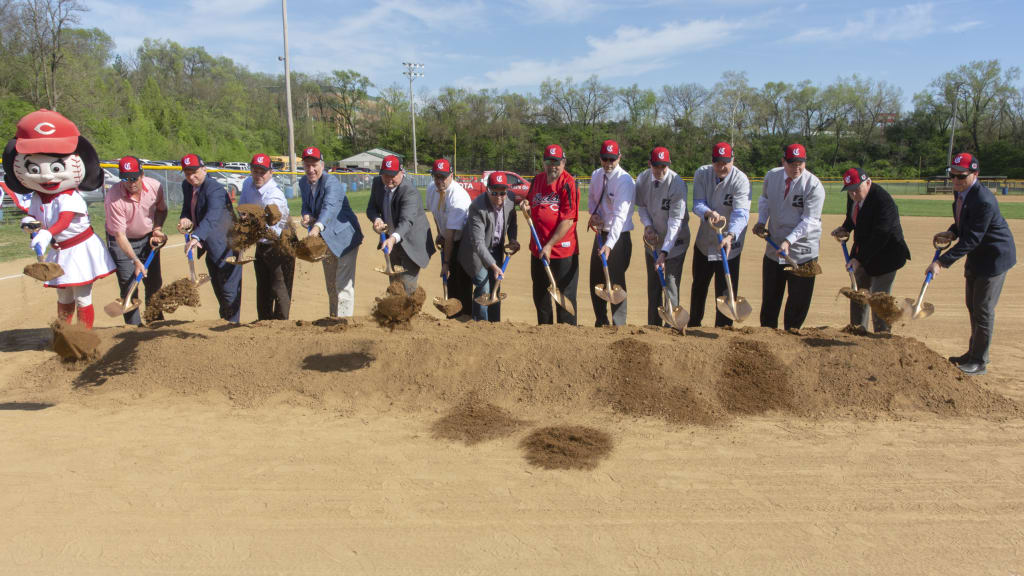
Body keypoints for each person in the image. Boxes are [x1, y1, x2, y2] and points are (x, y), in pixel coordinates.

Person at [3, 109, 115, 328]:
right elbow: (35, 217)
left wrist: (46, 233)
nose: (46, 176)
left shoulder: (70, 196)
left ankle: (84, 336)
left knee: (82, 295)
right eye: (35, 169)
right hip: (59, 250)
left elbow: (64, 220)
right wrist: (30, 225)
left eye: (55, 168)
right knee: (63, 296)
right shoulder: (37, 196)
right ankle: (64, 333)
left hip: (80, 249)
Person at [927, 153, 1016, 375]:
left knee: (983, 310)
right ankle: (972, 353)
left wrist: (941, 263)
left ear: (975, 174)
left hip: (994, 258)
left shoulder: (983, 199)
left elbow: (974, 237)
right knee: (972, 307)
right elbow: (964, 223)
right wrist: (951, 231)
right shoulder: (962, 193)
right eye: (952, 175)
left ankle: (979, 361)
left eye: (961, 176)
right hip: (977, 256)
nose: (955, 180)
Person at [753, 143, 825, 331]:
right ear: (783, 161)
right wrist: (762, 221)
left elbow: (810, 220)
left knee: (798, 302)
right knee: (770, 298)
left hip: (803, 252)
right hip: (775, 247)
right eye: (792, 163)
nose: (797, 167)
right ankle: (768, 337)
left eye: (800, 163)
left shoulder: (813, 185)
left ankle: (791, 337)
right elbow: (765, 199)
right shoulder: (772, 176)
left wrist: (788, 241)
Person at [831, 167, 910, 333]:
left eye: (856, 190)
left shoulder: (883, 201)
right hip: (864, 251)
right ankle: (858, 330)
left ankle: (881, 337)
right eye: (849, 191)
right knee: (858, 292)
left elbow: (881, 235)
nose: (853, 195)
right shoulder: (853, 194)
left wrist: (859, 259)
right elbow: (853, 216)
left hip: (887, 256)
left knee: (879, 298)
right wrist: (845, 228)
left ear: (868, 182)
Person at [689, 142, 750, 328]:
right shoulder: (702, 173)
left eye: (726, 162)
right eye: (717, 163)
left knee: (725, 292)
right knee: (699, 286)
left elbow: (741, 214)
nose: (721, 167)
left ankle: (723, 329)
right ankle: (693, 326)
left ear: (733, 159)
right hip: (705, 241)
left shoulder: (741, 180)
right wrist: (708, 213)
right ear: (712, 161)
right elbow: (697, 203)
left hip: (729, 245)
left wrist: (730, 235)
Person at [299, 146, 363, 317]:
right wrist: (306, 215)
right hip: (326, 240)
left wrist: (316, 228)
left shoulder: (331, 182)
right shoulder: (303, 183)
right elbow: (306, 205)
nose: (311, 169)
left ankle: (343, 324)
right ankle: (334, 319)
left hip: (345, 239)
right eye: (307, 165)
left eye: (315, 165)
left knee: (343, 285)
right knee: (331, 285)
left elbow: (330, 208)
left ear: (322, 164)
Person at [104, 155, 168, 325]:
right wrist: (135, 261)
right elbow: (120, 235)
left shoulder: (155, 187)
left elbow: (162, 210)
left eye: (134, 177)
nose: (130, 182)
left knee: (154, 282)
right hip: (122, 242)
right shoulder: (113, 197)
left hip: (147, 238)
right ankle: (134, 330)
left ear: (142, 174)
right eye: (125, 178)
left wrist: (157, 229)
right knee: (129, 285)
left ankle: (156, 324)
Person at [177, 153, 241, 323]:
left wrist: (196, 236)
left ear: (204, 169)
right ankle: (224, 323)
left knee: (229, 290)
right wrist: (185, 218)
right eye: (187, 173)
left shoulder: (215, 189)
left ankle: (232, 327)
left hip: (227, 244)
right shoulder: (187, 186)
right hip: (210, 245)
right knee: (219, 289)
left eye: (195, 172)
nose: (191, 176)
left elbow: (213, 215)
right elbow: (187, 208)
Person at [520, 144, 579, 325]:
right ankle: (544, 336)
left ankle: (566, 340)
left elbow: (568, 220)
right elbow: (529, 204)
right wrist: (525, 206)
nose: (553, 166)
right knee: (541, 298)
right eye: (549, 162)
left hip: (562, 251)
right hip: (538, 249)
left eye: (556, 162)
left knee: (564, 298)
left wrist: (550, 244)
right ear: (544, 163)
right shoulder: (537, 180)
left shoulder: (568, 183)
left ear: (563, 162)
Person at [634, 146, 690, 327]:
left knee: (671, 283)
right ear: (650, 164)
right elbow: (642, 207)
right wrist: (648, 226)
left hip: (676, 242)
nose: (660, 170)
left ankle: (674, 326)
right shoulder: (642, 179)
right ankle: (653, 326)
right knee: (654, 285)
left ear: (669, 164)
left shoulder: (677, 183)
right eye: (656, 166)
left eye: (664, 166)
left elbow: (675, 221)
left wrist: (665, 251)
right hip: (653, 240)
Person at [366, 154, 435, 294]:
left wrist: (392, 239)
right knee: (395, 284)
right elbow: (371, 208)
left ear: (401, 172)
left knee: (406, 286)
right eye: (385, 175)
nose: (389, 179)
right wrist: (376, 219)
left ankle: (410, 313)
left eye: (393, 175)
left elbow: (406, 221)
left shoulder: (409, 191)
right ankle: (395, 314)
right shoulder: (378, 183)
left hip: (412, 243)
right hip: (393, 242)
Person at [458, 171, 519, 321]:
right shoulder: (477, 207)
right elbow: (478, 243)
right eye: (494, 192)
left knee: (496, 285)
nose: (499, 197)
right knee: (484, 285)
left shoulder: (510, 200)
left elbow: (513, 221)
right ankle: (481, 324)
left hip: (495, 247)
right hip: (474, 251)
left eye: (502, 192)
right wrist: (494, 266)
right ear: (487, 189)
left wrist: (512, 239)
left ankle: (494, 324)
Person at [587, 139, 635, 326]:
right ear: (600, 158)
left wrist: (609, 244)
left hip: (618, 236)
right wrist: (594, 214)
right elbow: (592, 198)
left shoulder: (625, 180)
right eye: (605, 159)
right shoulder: (596, 175)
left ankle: (619, 324)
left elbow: (619, 216)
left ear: (619, 158)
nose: (608, 164)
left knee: (615, 281)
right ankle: (601, 320)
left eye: (612, 160)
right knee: (596, 279)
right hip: (601, 232)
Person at [240, 153, 293, 320]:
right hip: (261, 240)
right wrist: (243, 216)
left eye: (262, 172)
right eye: (255, 171)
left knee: (279, 284)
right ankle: (263, 321)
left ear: (270, 173)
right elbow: (242, 208)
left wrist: (250, 228)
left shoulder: (275, 196)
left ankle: (281, 322)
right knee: (262, 283)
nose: (258, 175)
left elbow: (272, 229)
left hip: (280, 240)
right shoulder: (248, 183)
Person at [426, 157, 472, 317]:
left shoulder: (458, 197)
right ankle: (452, 319)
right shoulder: (432, 189)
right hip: (449, 239)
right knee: (451, 283)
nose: (440, 181)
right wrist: (440, 233)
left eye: (443, 177)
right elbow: (435, 214)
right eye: (436, 176)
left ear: (451, 175)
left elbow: (452, 234)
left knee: (461, 281)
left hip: (464, 242)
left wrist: (445, 262)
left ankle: (465, 318)